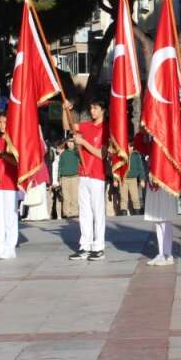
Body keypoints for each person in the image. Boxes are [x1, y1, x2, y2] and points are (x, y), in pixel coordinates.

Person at [64, 96, 107, 262]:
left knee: (98, 212)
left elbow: (101, 154)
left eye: (95, 108)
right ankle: (85, 246)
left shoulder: (105, 128)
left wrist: (83, 142)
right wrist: (65, 109)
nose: (92, 111)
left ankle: (99, 247)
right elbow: (67, 125)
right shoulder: (86, 126)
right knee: (85, 212)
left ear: (103, 110)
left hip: (97, 175)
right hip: (83, 174)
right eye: (91, 108)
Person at [135, 129, 179, 267]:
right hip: (153, 178)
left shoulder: (165, 133)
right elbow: (139, 145)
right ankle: (161, 252)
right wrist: (143, 132)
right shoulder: (150, 136)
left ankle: (168, 254)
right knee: (157, 219)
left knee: (165, 218)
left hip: (165, 179)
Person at [0, 113, 20, 259]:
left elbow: (18, 161)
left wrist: (1, 153)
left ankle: (10, 247)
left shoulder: (14, 138)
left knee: (10, 216)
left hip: (9, 181)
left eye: (5, 122)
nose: (2, 125)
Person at [55, 138, 80, 220]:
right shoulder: (63, 154)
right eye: (69, 142)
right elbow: (60, 166)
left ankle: (75, 212)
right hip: (65, 177)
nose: (70, 144)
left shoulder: (77, 153)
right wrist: (59, 177)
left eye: (72, 142)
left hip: (75, 177)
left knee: (75, 196)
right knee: (66, 196)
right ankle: (67, 213)